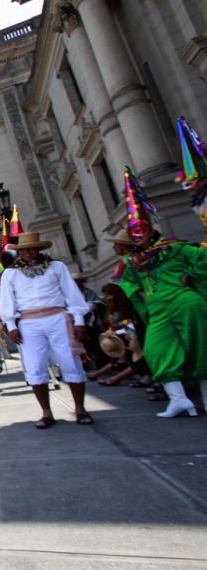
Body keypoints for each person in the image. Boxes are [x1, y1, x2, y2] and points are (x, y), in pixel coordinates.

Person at [119, 167, 207, 417]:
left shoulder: (173, 248)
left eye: (141, 230)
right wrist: (140, 294)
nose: (137, 236)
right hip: (157, 309)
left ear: (149, 227)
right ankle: (178, 399)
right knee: (157, 350)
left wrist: (191, 274)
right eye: (132, 232)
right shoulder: (132, 262)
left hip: (184, 301)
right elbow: (127, 283)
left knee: (199, 345)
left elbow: (202, 258)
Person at [0, 231, 93, 429]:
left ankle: (80, 408)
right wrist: (12, 325)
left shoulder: (57, 267)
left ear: (40, 249)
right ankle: (46, 412)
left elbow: (72, 294)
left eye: (32, 249)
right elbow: (7, 301)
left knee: (70, 361)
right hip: (28, 322)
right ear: (19, 251)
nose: (28, 253)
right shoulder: (11, 273)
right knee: (34, 366)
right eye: (24, 250)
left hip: (57, 317)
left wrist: (79, 320)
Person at [174, 116, 207, 247]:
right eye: (184, 184)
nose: (186, 187)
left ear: (203, 181)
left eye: (190, 182)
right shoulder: (200, 205)